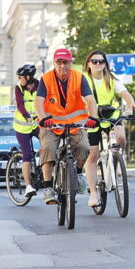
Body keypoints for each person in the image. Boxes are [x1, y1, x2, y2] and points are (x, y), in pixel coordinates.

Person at [34, 48, 99, 204]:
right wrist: (43, 119)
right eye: (59, 62)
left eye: (66, 62)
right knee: (48, 148)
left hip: (75, 124)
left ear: (71, 62)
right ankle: (48, 187)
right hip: (51, 125)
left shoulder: (79, 78)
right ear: (54, 63)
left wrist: (93, 118)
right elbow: (38, 102)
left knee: (84, 147)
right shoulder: (46, 78)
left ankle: (77, 173)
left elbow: (90, 100)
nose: (63, 66)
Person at [82, 50, 135, 207]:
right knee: (93, 155)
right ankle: (93, 194)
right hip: (92, 118)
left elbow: (124, 93)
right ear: (88, 64)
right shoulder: (84, 80)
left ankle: (117, 158)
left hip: (111, 114)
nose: (98, 64)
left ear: (105, 64)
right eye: (95, 61)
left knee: (121, 137)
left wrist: (131, 103)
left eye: (101, 61)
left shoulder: (111, 78)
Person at [13, 64, 40, 198]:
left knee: (48, 144)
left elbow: (44, 102)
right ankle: (28, 186)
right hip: (22, 126)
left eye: (21, 77)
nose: (19, 79)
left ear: (28, 77)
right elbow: (20, 105)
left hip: (36, 124)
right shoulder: (18, 88)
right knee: (27, 155)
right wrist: (28, 117)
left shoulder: (39, 86)